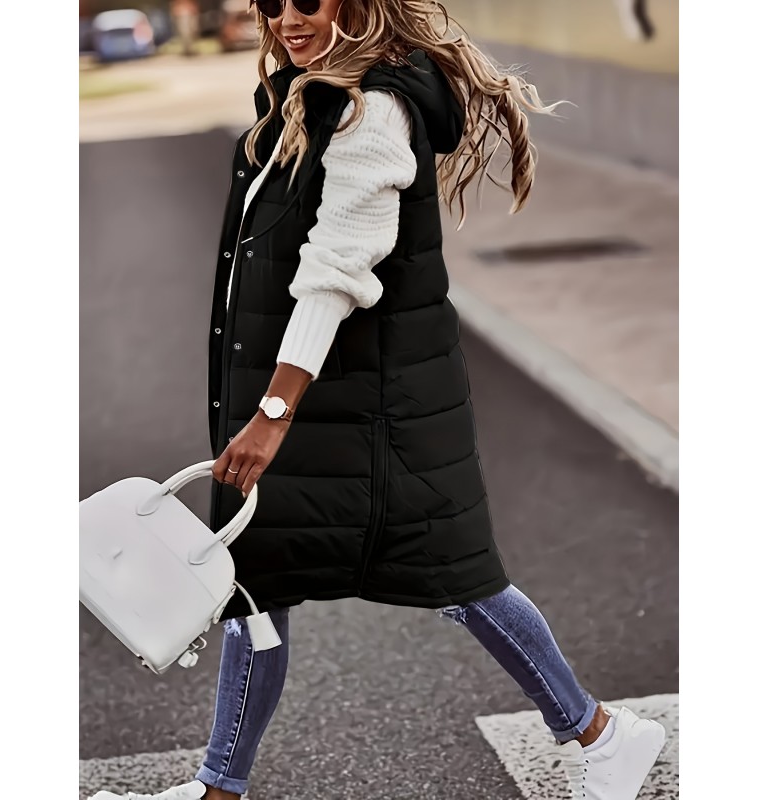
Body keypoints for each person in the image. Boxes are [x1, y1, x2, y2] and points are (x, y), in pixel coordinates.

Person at [88, 1, 667, 798]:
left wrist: (272, 412)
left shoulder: (375, 111)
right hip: (316, 397)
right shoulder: (303, 99)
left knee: (458, 577)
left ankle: (601, 735)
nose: (287, 19)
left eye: (309, 1)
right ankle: (220, 788)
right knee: (255, 584)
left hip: (382, 410)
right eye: (271, 4)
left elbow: (336, 269)